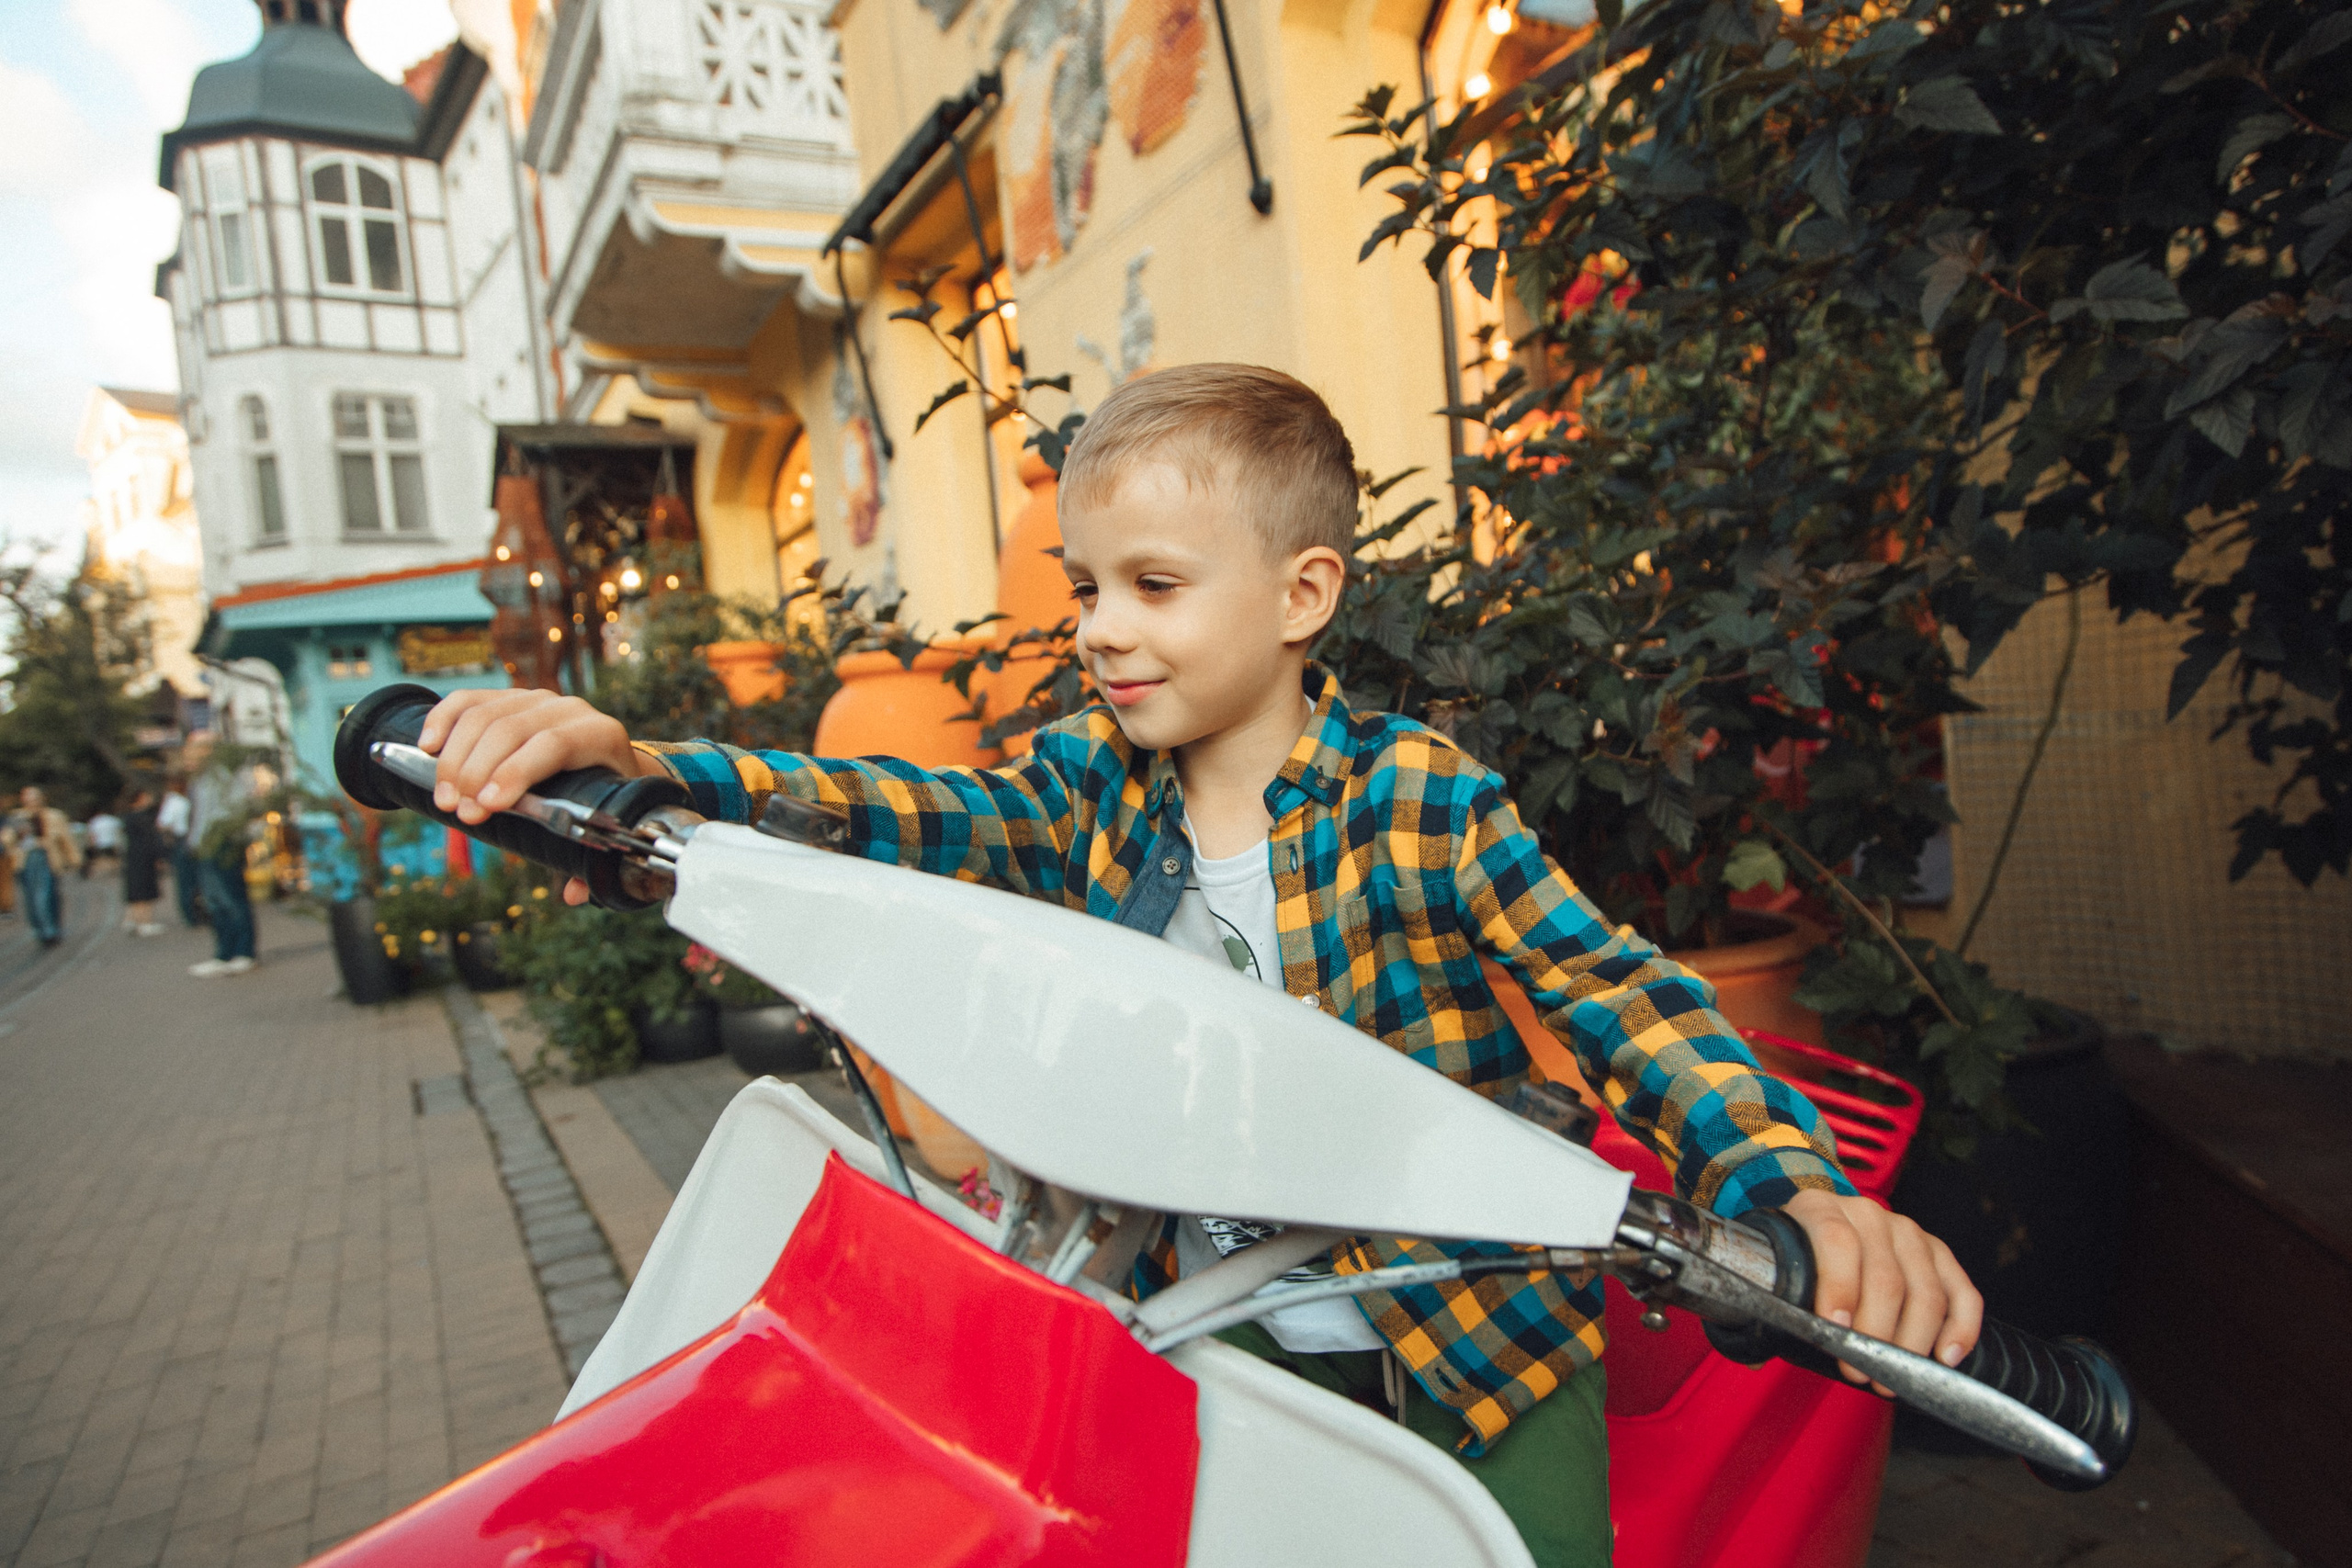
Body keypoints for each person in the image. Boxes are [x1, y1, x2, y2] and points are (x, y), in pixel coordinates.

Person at [413, 364, 1981, 1567]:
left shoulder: (1416, 793)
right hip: (1205, 1328)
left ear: (1304, 595)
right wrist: (651, 778)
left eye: (1152, 586)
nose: (1100, 627)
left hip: (1476, 1355)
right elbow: (898, 812)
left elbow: (1611, 987)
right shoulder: (1084, 784)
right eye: (1087, 588)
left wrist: (1799, 1185)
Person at [184, 742, 256, 976]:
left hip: (221, 843)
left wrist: (218, 834)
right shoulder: (200, 779)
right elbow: (199, 815)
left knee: (231, 899)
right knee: (214, 902)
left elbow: (234, 809)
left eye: (193, 753)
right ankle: (224, 953)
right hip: (204, 847)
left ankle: (244, 952)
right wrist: (194, 842)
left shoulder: (224, 775)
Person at [6, 786, 83, 946]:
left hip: (47, 857)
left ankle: (51, 929)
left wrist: (75, 859)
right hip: (25, 861)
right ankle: (41, 929)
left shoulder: (54, 816)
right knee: (31, 898)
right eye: (28, 799)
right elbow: (7, 840)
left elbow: (66, 838)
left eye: (35, 798)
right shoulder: (17, 816)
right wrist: (16, 834)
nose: (32, 802)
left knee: (48, 895)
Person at [119, 784, 166, 936]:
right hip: (144, 857)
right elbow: (151, 839)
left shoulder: (127, 817)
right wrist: (159, 856)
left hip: (133, 856)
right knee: (144, 890)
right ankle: (144, 923)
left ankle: (132, 920)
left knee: (135, 888)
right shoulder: (144, 818)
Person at [157, 773, 202, 926]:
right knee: (187, 880)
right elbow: (163, 824)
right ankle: (192, 915)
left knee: (190, 880)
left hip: (185, 839)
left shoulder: (177, 800)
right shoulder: (175, 801)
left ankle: (194, 913)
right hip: (183, 839)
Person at [83, 808, 123, 879]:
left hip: (99, 843)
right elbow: (119, 832)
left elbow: (92, 835)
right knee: (115, 860)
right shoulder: (114, 820)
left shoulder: (95, 821)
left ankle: (91, 874)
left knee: (93, 860)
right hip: (112, 843)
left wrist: (92, 845)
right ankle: (115, 874)